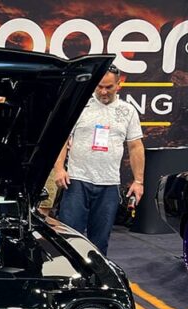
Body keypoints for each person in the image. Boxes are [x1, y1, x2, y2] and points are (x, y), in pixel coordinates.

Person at [51, 65, 145, 256]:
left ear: (119, 84)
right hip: (77, 181)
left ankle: (95, 281)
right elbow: (61, 139)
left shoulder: (128, 111)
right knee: (69, 238)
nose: (103, 91)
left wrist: (138, 181)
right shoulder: (80, 106)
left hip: (109, 185)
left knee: (100, 241)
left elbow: (135, 147)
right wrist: (59, 169)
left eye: (108, 87)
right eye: (99, 86)